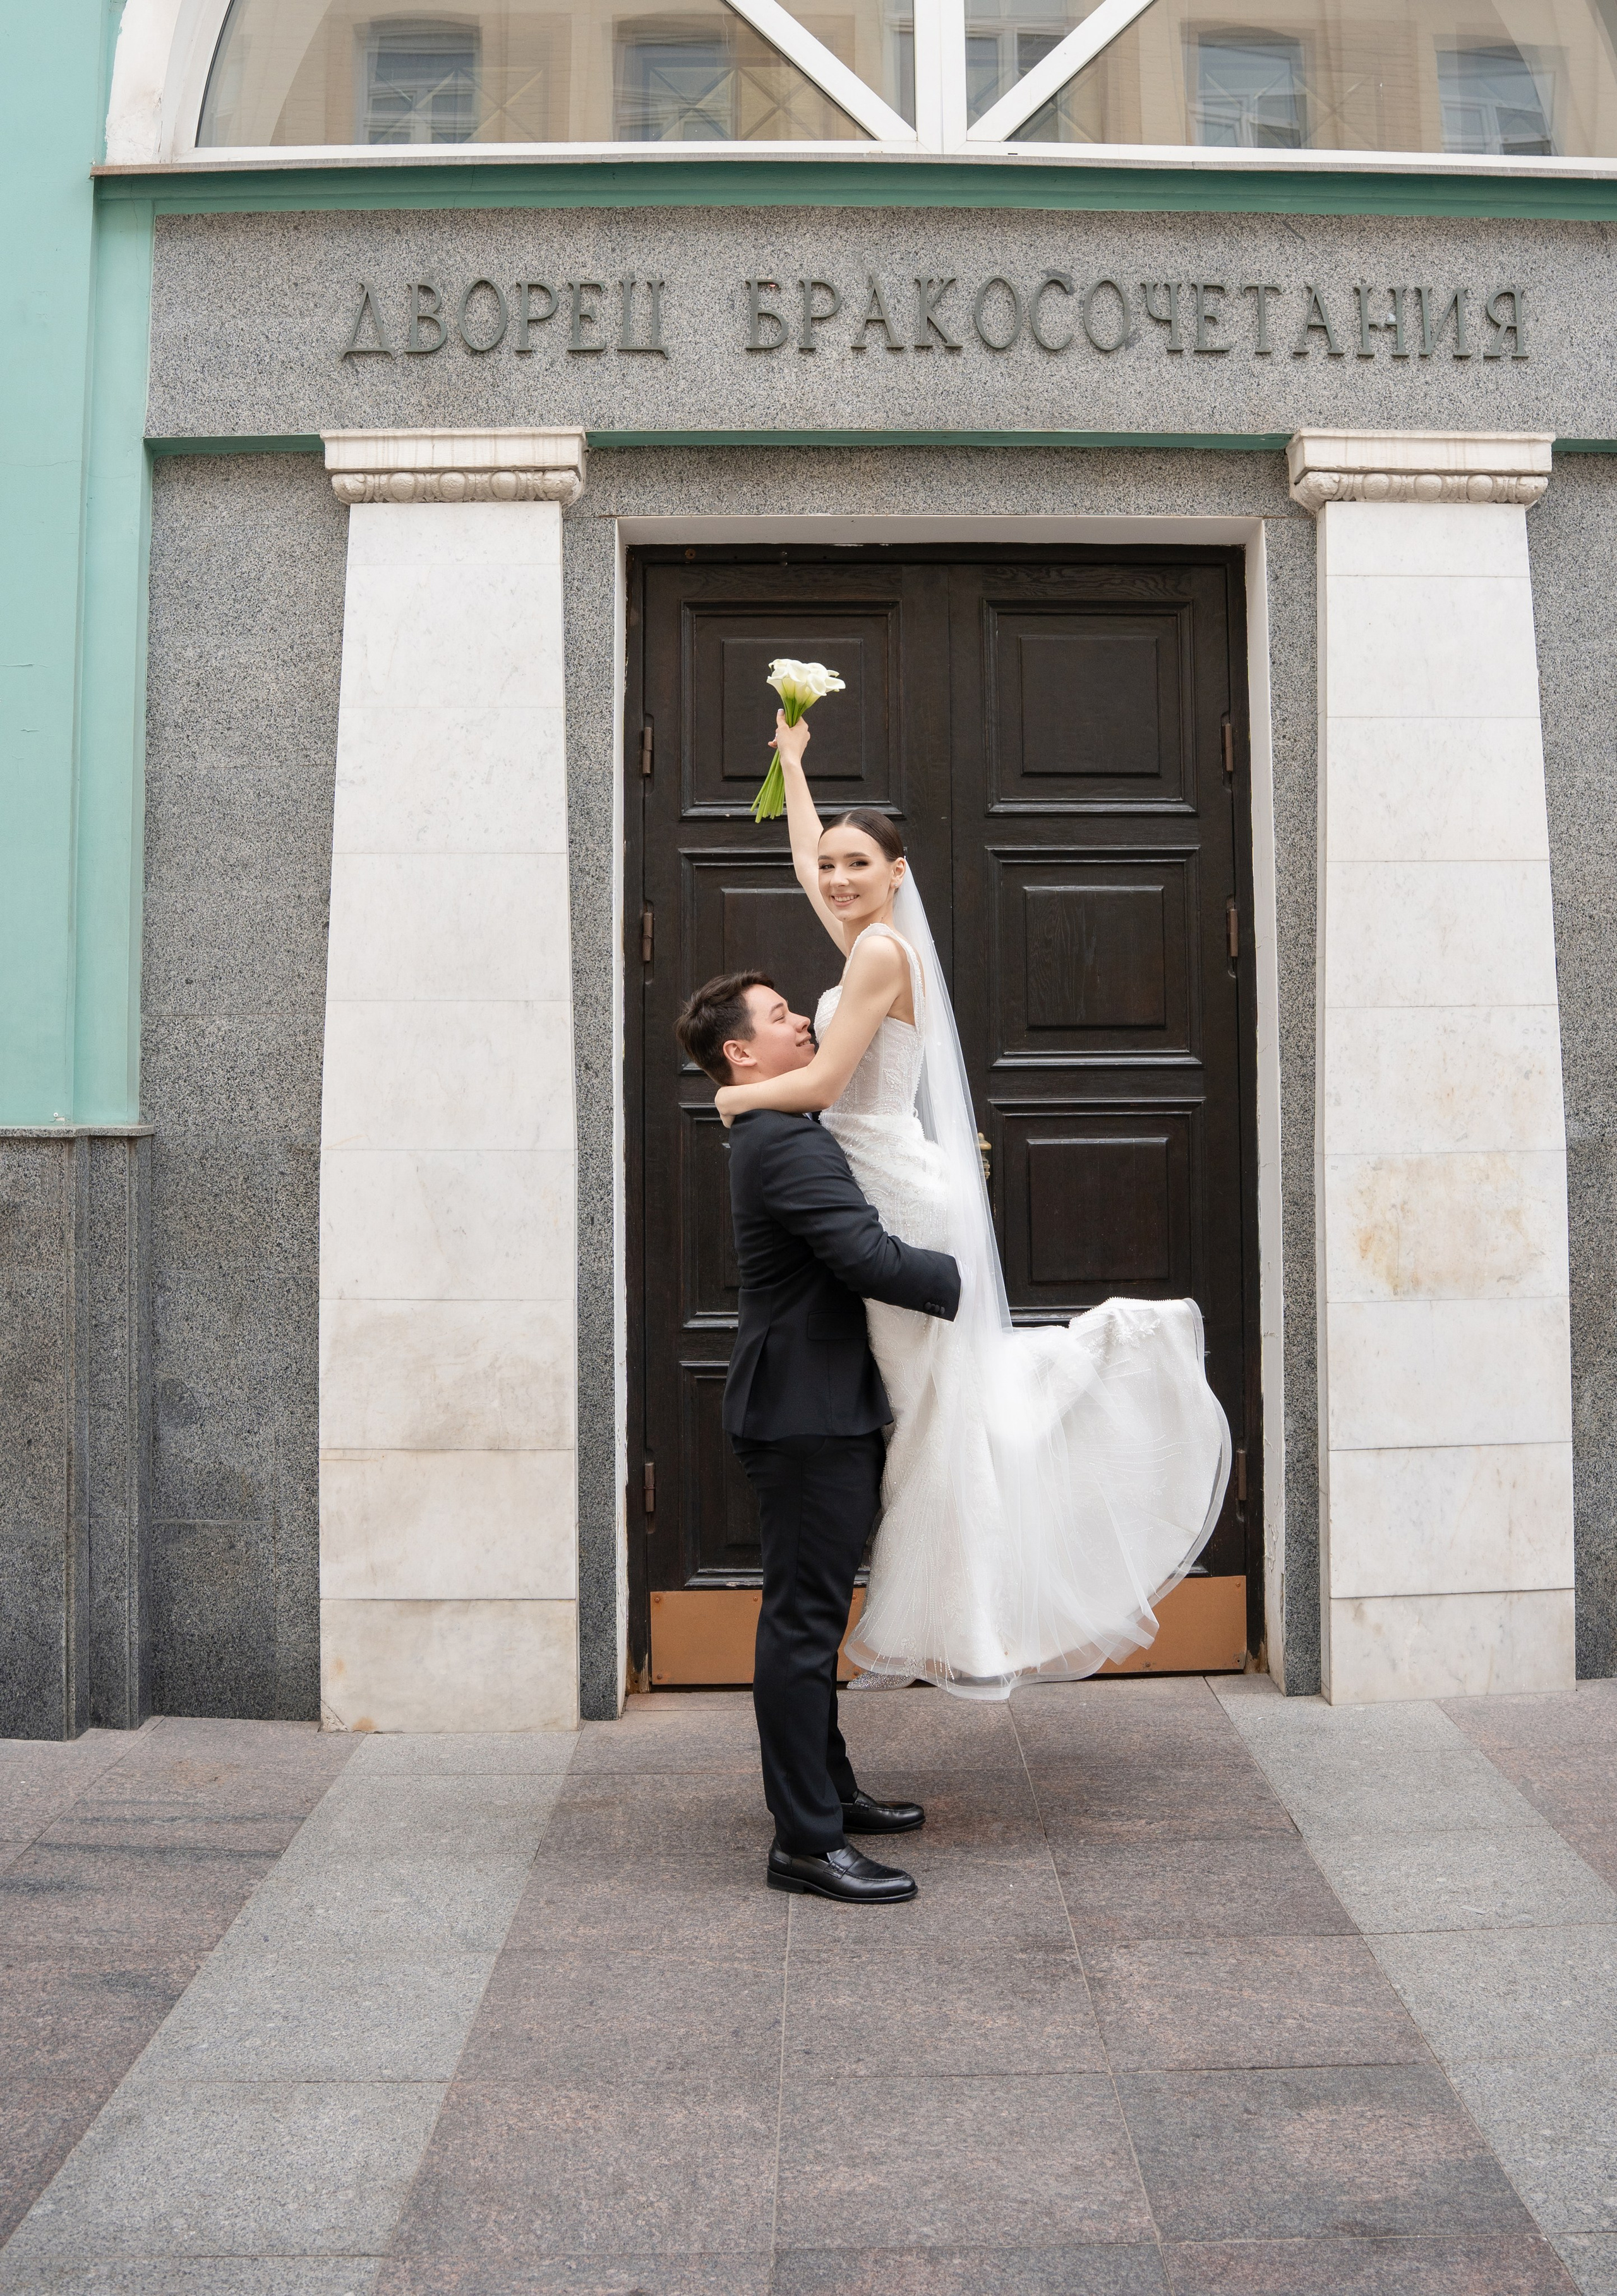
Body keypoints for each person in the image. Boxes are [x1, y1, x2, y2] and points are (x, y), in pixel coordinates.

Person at [712, 711, 1232, 1698]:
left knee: (937, 1415)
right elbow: (803, 860)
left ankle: (981, 1615)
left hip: (896, 1194)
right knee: (937, 1411)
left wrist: (734, 1099)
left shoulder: (878, 955)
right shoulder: (867, 938)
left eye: (857, 866)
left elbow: (822, 1086)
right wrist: (794, 769)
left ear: (896, 873)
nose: (835, 879)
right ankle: (967, 1613)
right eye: (832, 866)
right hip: (881, 1177)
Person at [674, 971, 962, 1904]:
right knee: (801, 1626)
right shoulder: (785, 1143)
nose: (801, 1019)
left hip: (820, 1404)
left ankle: (830, 1795)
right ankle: (805, 1842)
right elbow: (863, 1257)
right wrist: (968, 1277)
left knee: (812, 1615)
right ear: (740, 1053)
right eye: (779, 1016)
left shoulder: (785, 1128)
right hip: (805, 1413)